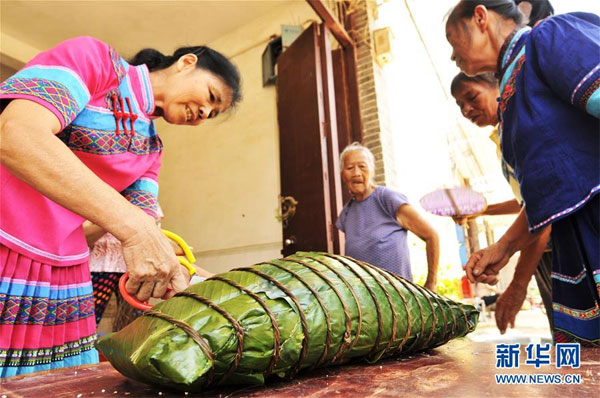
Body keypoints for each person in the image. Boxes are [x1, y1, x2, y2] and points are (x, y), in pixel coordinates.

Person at [0, 36, 241, 376]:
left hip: (63, 271)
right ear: (186, 63)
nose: (203, 113)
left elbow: (140, 227)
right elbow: (17, 135)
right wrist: (136, 229)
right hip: (5, 241)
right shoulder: (97, 61)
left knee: (53, 383)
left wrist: (221, 283)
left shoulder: (151, 149)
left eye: (212, 114)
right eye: (211, 97)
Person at [445, 0, 599, 345]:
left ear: (480, 17)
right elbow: (554, 188)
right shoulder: (512, 94)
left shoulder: (546, 39)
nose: (454, 58)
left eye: (454, 44)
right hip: (577, 248)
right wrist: (504, 247)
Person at [451, 71, 553, 333]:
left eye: (471, 97)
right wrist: (481, 211)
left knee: (584, 352)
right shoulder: (502, 137)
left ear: (499, 85)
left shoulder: (523, 126)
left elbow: (546, 205)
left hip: (562, 249)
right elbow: (527, 203)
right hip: (544, 250)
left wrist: (518, 284)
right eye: (460, 105)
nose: (466, 109)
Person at [336, 142, 439, 291]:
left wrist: (431, 283)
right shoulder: (346, 213)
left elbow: (431, 235)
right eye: (350, 168)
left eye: (362, 166)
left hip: (397, 296)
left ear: (372, 170)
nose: (356, 173)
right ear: (342, 175)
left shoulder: (387, 199)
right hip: (364, 300)